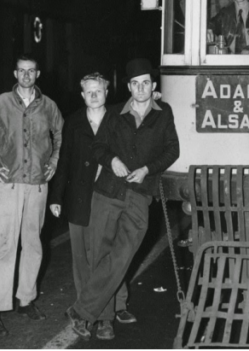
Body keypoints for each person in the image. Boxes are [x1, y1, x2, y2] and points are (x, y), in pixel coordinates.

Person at [67, 58, 179, 340]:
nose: (140, 88)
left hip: (140, 195)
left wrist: (147, 170)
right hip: (108, 192)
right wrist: (113, 160)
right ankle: (103, 319)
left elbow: (172, 150)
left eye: (145, 83)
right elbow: (98, 147)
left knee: (122, 256)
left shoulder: (163, 113)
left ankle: (81, 310)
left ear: (152, 86)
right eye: (135, 83)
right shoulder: (115, 113)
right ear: (128, 86)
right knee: (102, 255)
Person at [0, 55, 63, 337]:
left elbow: (61, 135)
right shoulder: (0, 103)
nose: (26, 75)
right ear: (15, 73)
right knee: (4, 245)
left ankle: (26, 299)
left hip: (38, 185)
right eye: (22, 71)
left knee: (33, 244)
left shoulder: (49, 106)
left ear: (38, 74)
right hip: (10, 184)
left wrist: (54, 160)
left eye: (31, 71)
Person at [48, 73, 135, 338]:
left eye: (99, 91)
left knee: (107, 256)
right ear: (82, 95)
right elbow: (63, 162)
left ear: (107, 93)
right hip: (80, 198)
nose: (94, 95)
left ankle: (109, 313)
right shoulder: (73, 122)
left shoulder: (120, 118)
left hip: (110, 196)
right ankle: (89, 312)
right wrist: (55, 197)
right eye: (89, 92)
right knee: (82, 259)